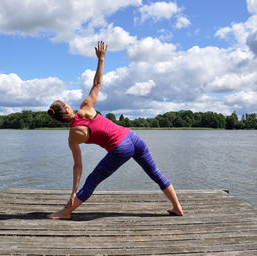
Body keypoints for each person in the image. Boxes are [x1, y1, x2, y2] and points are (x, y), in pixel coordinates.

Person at [46, 41, 183, 220]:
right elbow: (97, 83)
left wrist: (73, 191)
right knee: (155, 173)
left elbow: (78, 166)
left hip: (121, 148)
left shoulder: (73, 136)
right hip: (133, 137)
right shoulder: (85, 108)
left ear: (58, 120)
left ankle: (66, 211)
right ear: (68, 109)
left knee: (92, 181)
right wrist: (101, 59)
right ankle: (177, 207)